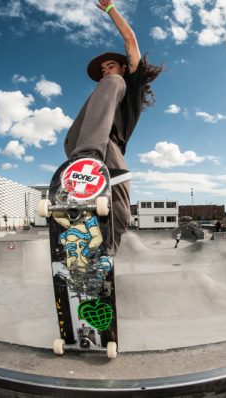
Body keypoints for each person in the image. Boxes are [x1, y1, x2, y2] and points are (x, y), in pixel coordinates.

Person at [63, 0, 163, 254]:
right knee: (110, 86)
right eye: (103, 70)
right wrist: (88, 154)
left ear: (125, 67)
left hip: (113, 152)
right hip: (84, 142)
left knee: (121, 213)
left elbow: (130, 41)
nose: (106, 72)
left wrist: (110, 10)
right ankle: (87, 159)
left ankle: (103, 253)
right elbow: (107, 86)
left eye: (111, 66)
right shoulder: (109, 85)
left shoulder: (131, 85)